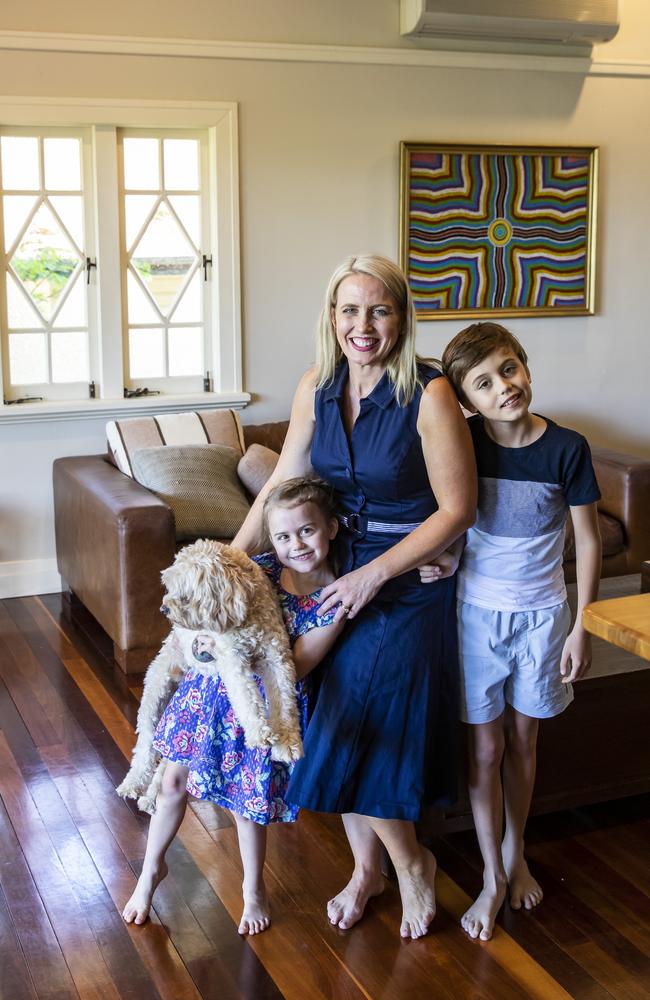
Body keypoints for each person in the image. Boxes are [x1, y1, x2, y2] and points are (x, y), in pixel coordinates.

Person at [233, 253, 476, 939]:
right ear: (331, 316)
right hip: (332, 572)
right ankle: (367, 870)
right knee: (333, 717)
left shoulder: (428, 394)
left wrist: (376, 574)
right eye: (349, 310)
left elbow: (456, 509)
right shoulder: (316, 384)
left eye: (379, 310)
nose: (362, 325)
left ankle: (413, 867)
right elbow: (286, 477)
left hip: (406, 579)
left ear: (401, 316)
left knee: (370, 729)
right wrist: (231, 558)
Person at [122, 477, 345, 934]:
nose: (295, 545)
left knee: (245, 804)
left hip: (257, 713)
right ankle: (150, 872)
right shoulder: (257, 569)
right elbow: (203, 608)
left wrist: (223, 651)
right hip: (206, 698)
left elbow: (294, 667)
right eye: (283, 536)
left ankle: (253, 889)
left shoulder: (332, 601)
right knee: (171, 782)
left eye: (307, 531)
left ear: (332, 529)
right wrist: (200, 644)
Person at [439, 321, 602, 942]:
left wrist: (582, 626)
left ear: (525, 366)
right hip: (474, 618)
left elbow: (585, 541)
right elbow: (446, 520)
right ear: (466, 401)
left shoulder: (568, 447)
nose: (503, 387)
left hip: (543, 620)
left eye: (509, 369)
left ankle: (516, 850)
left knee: (524, 742)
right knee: (484, 748)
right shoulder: (464, 445)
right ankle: (490, 874)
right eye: (483, 383)